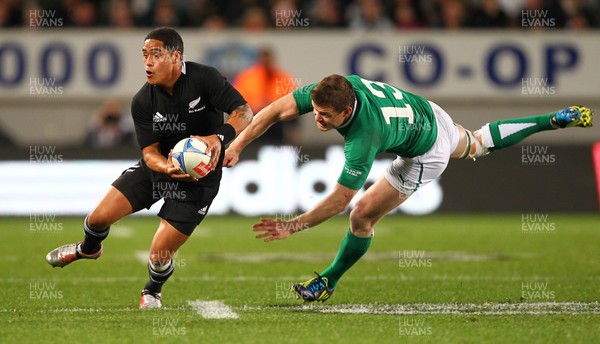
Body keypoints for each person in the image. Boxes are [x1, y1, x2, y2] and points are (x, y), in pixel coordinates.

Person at [224, 74, 593, 302]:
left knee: (361, 215)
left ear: (347, 111)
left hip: (425, 153)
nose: (317, 119)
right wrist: (238, 144)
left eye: (325, 117)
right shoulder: (334, 88)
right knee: (478, 143)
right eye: (316, 111)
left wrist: (293, 225)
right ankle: (551, 118)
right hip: (429, 114)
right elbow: (274, 111)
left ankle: (328, 281)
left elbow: (340, 198)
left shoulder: (364, 136)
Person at [46, 27, 253, 309]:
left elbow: (244, 112)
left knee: (159, 254)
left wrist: (219, 139)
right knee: (97, 219)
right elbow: (149, 152)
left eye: (155, 55)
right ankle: (88, 249)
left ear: (176, 56)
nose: (148, 62)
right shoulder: (142, 101)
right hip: (159, 169)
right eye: (145, 55)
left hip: (199, 181)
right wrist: (167, 168)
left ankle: (152, 290)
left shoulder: (205, 78)